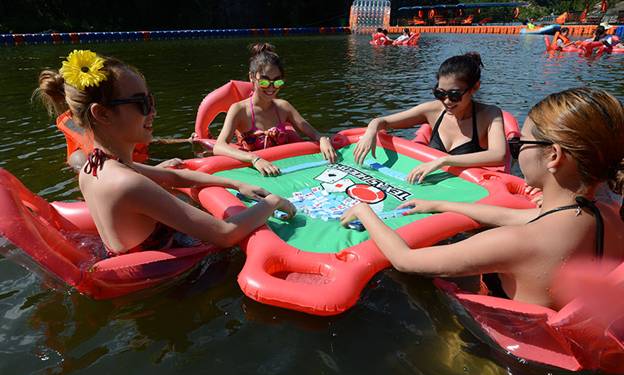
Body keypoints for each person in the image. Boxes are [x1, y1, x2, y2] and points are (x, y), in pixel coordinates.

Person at [342, 87, 624, 309]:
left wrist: (365, 211)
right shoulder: (607, 214)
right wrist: (440, 204)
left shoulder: (515, 242)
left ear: (554, 156)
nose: (516, 152)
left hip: (504, 353)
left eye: (520, 144)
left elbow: (405, 259)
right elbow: (518, 217)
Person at [34, 49, 296, 255]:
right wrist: (272, 202)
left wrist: (235, 182)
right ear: (102, 114)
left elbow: (175, 178)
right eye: (142, 103)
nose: (153, 112)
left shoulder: (98, 166)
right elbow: (225, 233)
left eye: (152, 100)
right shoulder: (127, 183)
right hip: (175, 287)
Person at [353, 52, 507, 183]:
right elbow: (383, 121)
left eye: (454, 95)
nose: (446, 101)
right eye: (440, 93)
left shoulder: (489, 115)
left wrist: (443, 160)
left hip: (465, 189)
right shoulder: (432, 110)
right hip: (432, 187)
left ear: (475, 88)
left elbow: (498, 155)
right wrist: (371, 131)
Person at [213, 43, 336, 177]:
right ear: (252, 77)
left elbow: (314, 133)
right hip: (259, 172)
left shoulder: (284, 107)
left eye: (277, 82)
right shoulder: (239, 110)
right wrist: (254, 159)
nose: (271, 88)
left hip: (284, 170)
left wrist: (323, 139)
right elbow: (219, 147)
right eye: (264, 82)